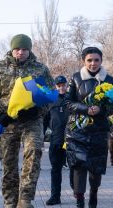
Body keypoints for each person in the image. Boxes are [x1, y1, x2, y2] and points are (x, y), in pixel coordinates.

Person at [0, 34, 53, 208]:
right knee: (8, 164)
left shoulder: (40, 69)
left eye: (24, 49)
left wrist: (37, 110)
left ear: (29, 50)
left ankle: (25, 199)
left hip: (31, 121)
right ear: (12, 49)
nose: (20, 52)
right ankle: (10, 202)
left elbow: (50, 95)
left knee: (34, 153)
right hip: (6, 122)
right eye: (17, 49)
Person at [65, 47, 113, 208]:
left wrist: (101, 110)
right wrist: (85, 109)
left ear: (101, 61)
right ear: (83, 61)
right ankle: (80, 200)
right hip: (78, 130)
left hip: (99, 130)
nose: (93, 63)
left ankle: (93, 193)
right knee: (79, 165)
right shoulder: (75, 78)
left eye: (96, 60)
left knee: (96, 168)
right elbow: (67, 102)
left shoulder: (108, 79)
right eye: (89, 60)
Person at [44, 75, 70, 205]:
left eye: (63, 85)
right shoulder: (50, 100)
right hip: (56, 140)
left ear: (67, 85)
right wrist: (41, 136)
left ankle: (78, 193)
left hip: (72, 141)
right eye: (59, 86)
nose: (61, 88)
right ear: (56, 86)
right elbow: (44, 119)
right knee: (55, 169)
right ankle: (55, 196)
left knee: (76, 168)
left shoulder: (73, 98)